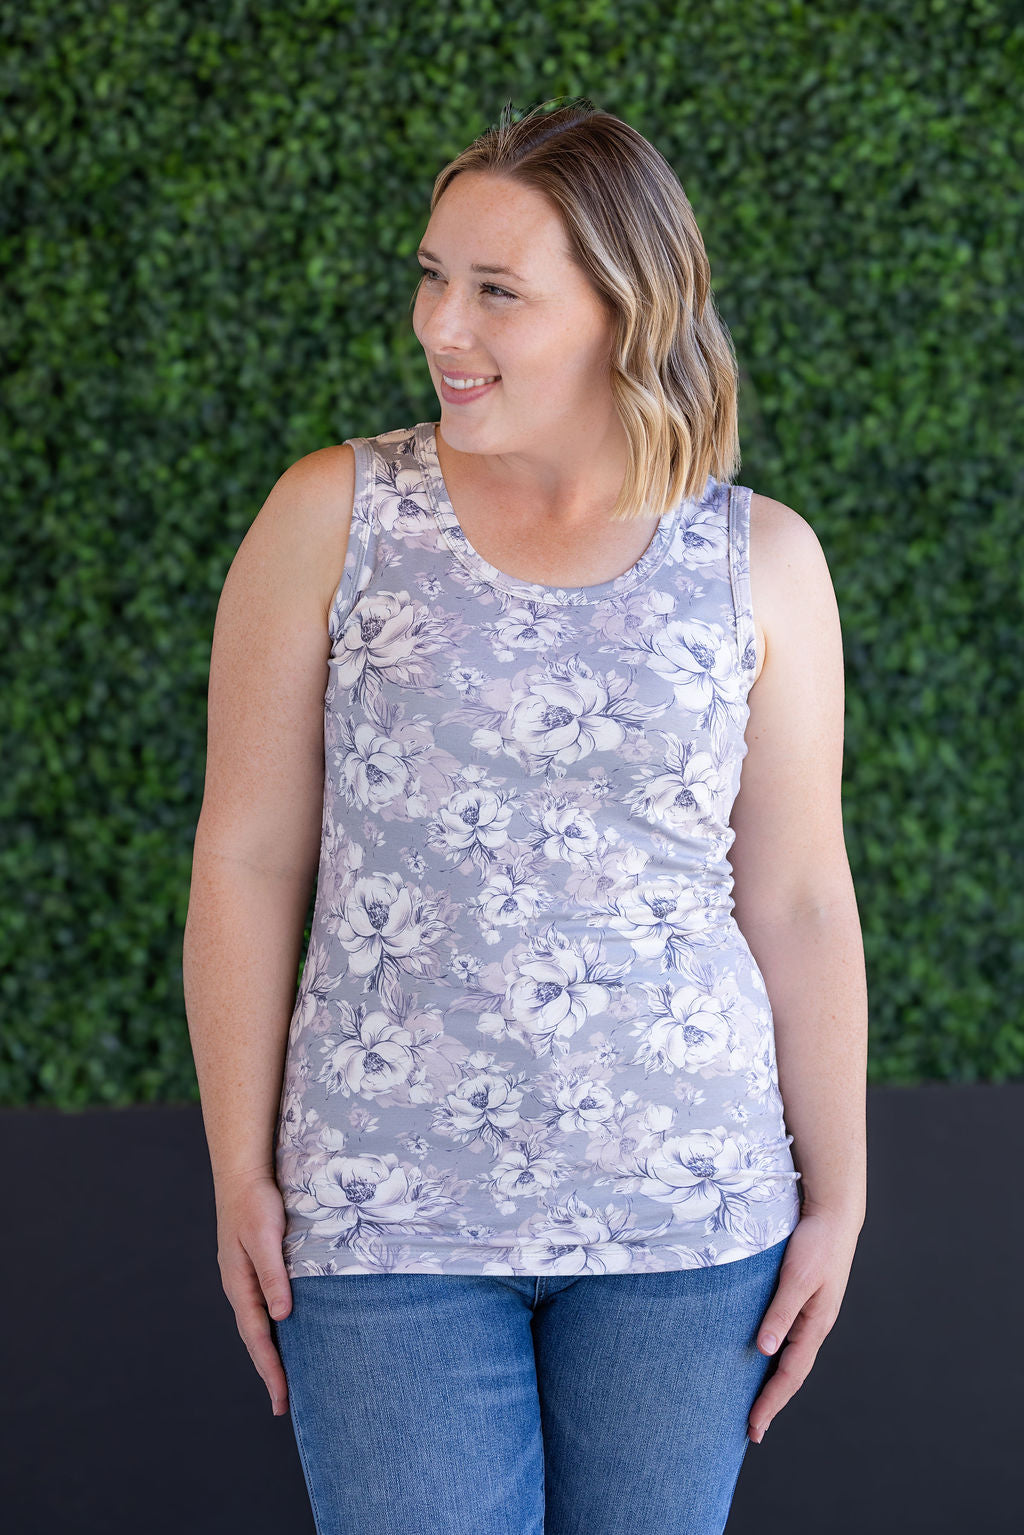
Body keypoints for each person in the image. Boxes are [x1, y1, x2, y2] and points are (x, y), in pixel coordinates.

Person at [183, 97, 868, 1535]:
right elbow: (247, 858)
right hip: (382, 1208)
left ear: (628, 307)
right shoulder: (334, 513)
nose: (442, 324)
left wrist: (840, 1199)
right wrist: (239, 1168)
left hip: (692, 1214)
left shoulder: (764, 561)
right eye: (433, 275)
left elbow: (799, 897)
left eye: (497, 291)